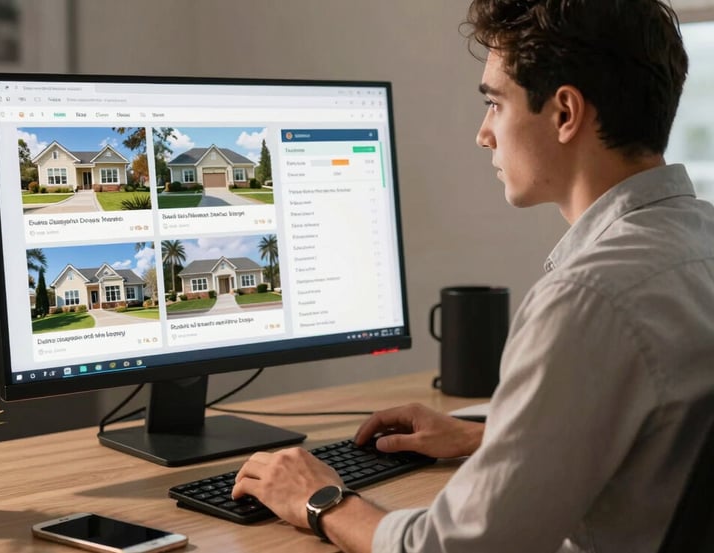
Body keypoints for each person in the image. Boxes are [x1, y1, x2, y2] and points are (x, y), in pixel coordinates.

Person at [232, 1, 714, 551]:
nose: (484, 135)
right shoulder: (699, 243)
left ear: (565, 114)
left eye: (495, 104)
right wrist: (492, 438)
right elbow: (662, 445)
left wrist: (321, 500)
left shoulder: (587, 298)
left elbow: (459, 547)